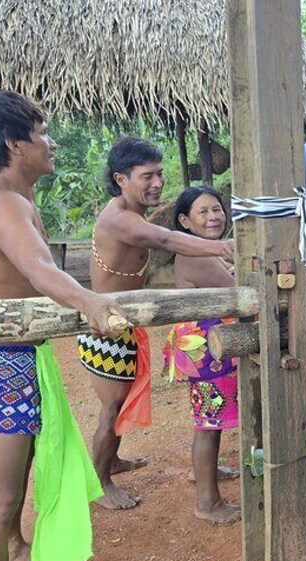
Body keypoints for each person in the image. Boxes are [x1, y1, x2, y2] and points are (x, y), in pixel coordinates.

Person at [0, 89, 124, 561]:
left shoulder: (3, 197)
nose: (52, 142)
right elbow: (40, 267)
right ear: (15, 145)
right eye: (42, 133)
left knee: (8, 493)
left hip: (7, 359)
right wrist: (91, 302)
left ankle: (17, 550)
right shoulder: (2, 202)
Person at [77, 137, 235, 510]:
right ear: (121, 178)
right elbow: (167, 238)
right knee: (111, 408)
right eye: (147, 176)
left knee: (119, 401)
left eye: (160, 174)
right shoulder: (120, 219)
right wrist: (222, 246)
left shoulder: (132, 213)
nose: (158, 182)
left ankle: (112, 461)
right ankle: (100, 483)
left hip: (123, 324)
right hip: (105, 329)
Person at [162, 186, 241, 524]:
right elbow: (238, 291)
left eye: (217, 209)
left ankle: (205, 476)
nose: (213, 217)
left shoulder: (204, 254)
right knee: (207, 425)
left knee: (210, 420)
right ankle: (207, 503)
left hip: (205, 349)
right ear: (184, 221)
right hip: (208, 352)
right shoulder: (199, 255)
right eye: (203, 212)